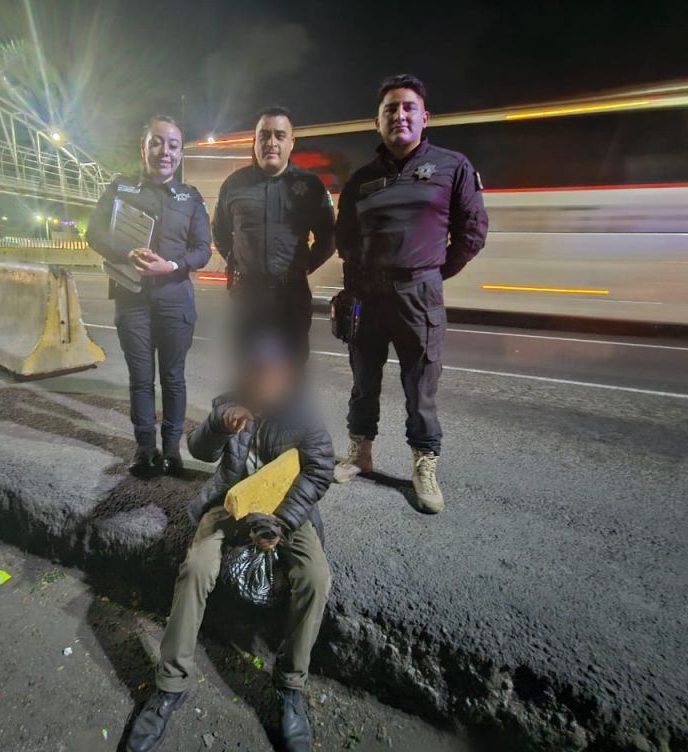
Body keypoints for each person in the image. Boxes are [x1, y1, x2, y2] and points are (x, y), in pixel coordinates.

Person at [126, 336, 334, 752]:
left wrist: (283, 520)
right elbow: (199, 449)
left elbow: (319, 470)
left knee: (315, 577)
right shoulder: (231, 403)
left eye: (272, 374)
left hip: (285, 512)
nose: (263, 382)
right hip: (230, 505)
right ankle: (170, 685)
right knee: (197, 568)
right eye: (256, 373)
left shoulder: (304, 416)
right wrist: (220, 423)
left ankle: (290, 687)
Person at [333, 75, 488, 513]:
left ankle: (424, 465)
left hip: (418, 295)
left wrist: (432, 273)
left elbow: (473, 232)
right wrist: (354, 286)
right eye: (390, 109)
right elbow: (345, 238)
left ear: (425, 117)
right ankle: (360, 454)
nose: (399, 115)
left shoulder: (452, 167)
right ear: (377, 122)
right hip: (368, 295)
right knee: (363, 381)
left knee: (420, 388)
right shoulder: (362, 179)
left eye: (408, 107)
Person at [87, 115, 212, 477]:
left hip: (175, 300)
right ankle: (145, 448)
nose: (164, 151)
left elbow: (203, 249)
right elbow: (94, 233)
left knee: (173, 378)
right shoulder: (120, 189)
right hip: (132, 300)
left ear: (180, 152)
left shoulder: (190, 197)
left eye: (173, 145)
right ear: (143, 148)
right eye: (156, 142)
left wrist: (171, 265)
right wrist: (126, 253)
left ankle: (171, 449)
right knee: (141, 379)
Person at [212, 106, 336, 359]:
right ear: (255, 141)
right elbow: (220, 232)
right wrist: (238, 261)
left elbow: (329, 238)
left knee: (291, 372)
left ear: (292, 143)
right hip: (249, 296)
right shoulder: (234, 185)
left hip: (292, 297)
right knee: (248, 372)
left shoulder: (310, 186)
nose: (271, 143)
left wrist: (303, 266)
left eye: (280, 136)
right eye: (264, 136)